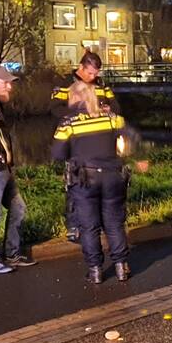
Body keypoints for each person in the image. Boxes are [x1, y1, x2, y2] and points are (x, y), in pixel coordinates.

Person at [52, 81, 142, 283]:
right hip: (113, 177)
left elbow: (57, 154)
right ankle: (121, 267)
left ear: (74, 98)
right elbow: (128, 142)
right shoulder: (112, 118)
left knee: (89, 226)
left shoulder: (69, 122)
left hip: (84, 179)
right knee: (114, 223)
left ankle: (95, 271)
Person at [50, 51, 119, 244]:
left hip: (99, 142)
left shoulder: (102, 85)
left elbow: (116, 107)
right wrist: (76, 117)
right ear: (81, 68)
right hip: (76, 141)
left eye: (96, 73)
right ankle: (73, 225)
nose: (93, 77)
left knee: (100, 186)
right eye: (90, 73)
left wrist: (108, 110)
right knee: (75, 183)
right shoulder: (65, 83)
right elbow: (54, 109)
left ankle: (98, 223)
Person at [0, 66, 33, 275]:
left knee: (18, 208)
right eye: (5, 82)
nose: (9, 87)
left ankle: (12, 254)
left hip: (2, 169)